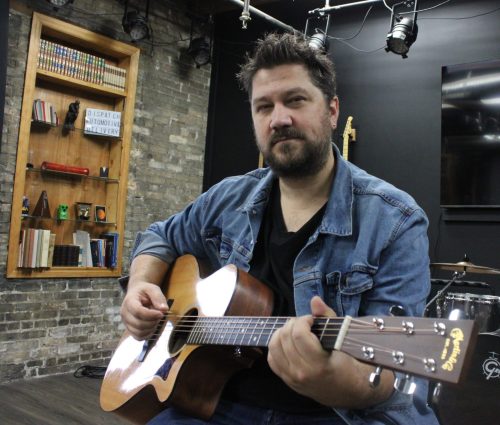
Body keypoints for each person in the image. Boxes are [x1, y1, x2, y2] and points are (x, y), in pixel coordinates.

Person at [121, 33, 439, 425]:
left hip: (332, 414)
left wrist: (333, 380)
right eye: (264, 106)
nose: (280, 118)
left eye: (295, 100)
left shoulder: (395, 219)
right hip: (215, 400)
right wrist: (140, 287)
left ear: (333, 111)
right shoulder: (228, 198)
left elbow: (392, 376)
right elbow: (159, 237)